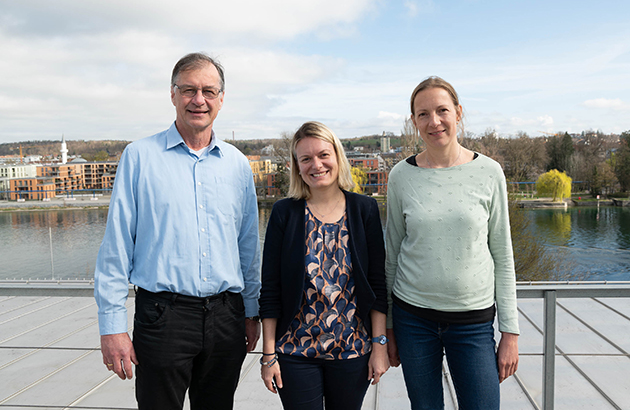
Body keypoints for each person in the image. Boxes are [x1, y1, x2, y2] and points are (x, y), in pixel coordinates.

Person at [94, 52, 261, 410]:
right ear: (172, 95)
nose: (198, 100)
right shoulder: (139, 157)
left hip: (227, 318)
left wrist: (251, 311)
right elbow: (117, 248)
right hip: (163, 318)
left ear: (221, 99)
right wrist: (112, 326)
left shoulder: (237, 165)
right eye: (188, 90)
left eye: (208, 91)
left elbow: (247, 246)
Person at [385, 76, 519, 410]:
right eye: (423, 114)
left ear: (458, 112)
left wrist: (510, 332)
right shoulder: (400, 176)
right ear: (414, 122)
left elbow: (502, 254)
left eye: (442, 110)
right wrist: (388, 326)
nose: (434, 121)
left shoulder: (490, 172)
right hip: (412, 318)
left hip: (472, 322)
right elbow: (391, 254)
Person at [259, 121, 389, 410]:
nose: (316, 165)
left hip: (353, 350)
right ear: (297, 166)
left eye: (323, 155)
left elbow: (377, 284)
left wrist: (379, 345)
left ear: (337, 157)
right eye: (305, 159)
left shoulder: (363, 209)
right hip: (295, 351)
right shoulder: (285, 213)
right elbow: (271, 290)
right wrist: (269, 356)